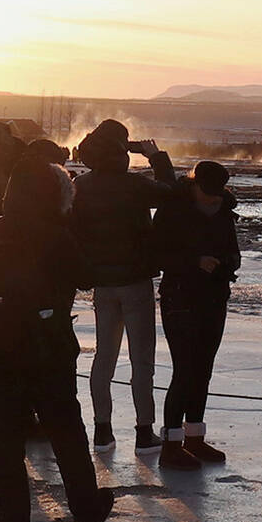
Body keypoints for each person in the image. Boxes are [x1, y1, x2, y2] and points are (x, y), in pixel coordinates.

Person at [0, 157, 113, 522]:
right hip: (49, 347)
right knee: (66, 430)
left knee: (5, 436)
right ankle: (86, 510)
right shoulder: (56, 235)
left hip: (1, 347)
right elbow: (87, 276)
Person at [72, 119, 176, 456]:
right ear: (122, 150)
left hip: (102, 283)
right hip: (134, 281)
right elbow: (170, 194)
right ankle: (144, 432)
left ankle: (102, 431)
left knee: (104, 356)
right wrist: (156, 156)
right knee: (141, 358)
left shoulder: (81, 186)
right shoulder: (133, 186)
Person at [151, 160, 241, 471]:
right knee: (185, 369)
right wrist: (194, 261)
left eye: (218, 195)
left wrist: (224, 264)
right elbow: (156, 253)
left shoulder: (225, 212)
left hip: (214, 298)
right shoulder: (173, 209)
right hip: (180, 297)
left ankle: (194, 437)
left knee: (203, 368)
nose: (213, 199)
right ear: (195, 185)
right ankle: (171, 445)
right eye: (208, 194)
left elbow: (234, 252)